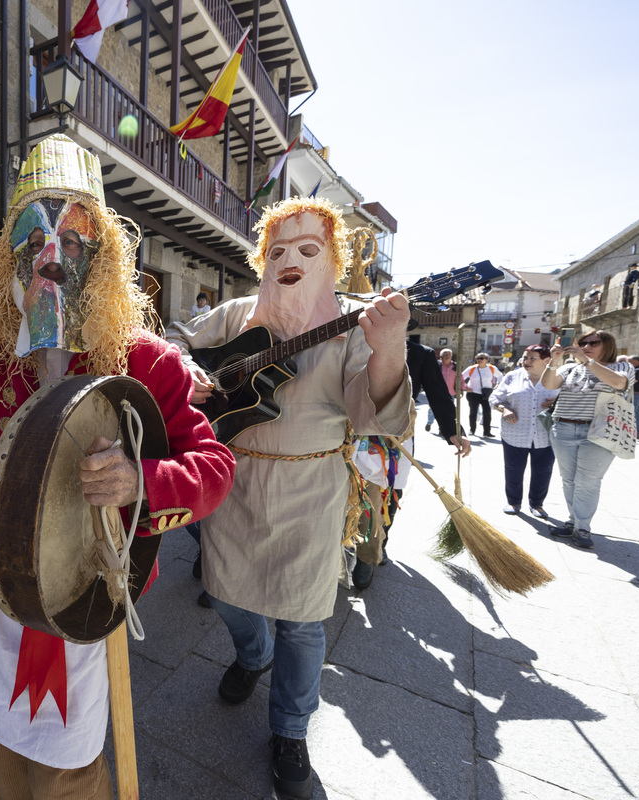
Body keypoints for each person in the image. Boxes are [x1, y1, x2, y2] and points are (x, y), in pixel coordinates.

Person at [0, 135, 235, 799]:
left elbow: (212, 466)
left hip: (90, 596)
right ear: (7, 252)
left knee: (70, 774)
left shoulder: (144, 359)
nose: (49, 258)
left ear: (99, 256)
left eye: (70, 240)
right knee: (3, 759)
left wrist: (142, 481)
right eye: (33, 237)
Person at [167, 196, 412, 799]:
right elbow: (173, 337)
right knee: (226, 593)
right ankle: (253, 655)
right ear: (262, 261)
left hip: (312, 487)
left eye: (308, 249)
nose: (292, 261)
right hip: (235, 480)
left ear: (333, 259)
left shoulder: (354, 324)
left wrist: (391, 349)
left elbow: (374, 410)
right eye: (278, 251)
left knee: (304, 620)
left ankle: (291, 730)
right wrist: (181, 364)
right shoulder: (237, 315)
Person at [349, 336, 471, 589]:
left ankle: (375, 548)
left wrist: (453, 430)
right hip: (349, 432)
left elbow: (438, 393)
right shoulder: (353, 343)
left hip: (396, 439)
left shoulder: (420, 354)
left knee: (390, 492)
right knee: (349, 491)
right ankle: (354, 545)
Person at [541, 329, 633, 549]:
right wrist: (554, 360)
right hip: (563, 428)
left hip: (599, 432)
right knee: (569, 479)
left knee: (588, 481)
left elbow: (619, 383)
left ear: (608, 345)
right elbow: (549, 384)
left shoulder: (621, 366)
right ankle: (573, 521)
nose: (587, 347)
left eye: (594, 343)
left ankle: (583, 527)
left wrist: (587, 360)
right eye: (583, 343)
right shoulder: (571, 367)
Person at [489, 344, 559, 517]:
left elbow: (570, 401)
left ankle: (537, 504)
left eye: (532, 358)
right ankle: (513, 502)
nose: (526, 361)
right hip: (515, 433)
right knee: (513, 469)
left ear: (546, 360)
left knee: (543, 471)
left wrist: (557, 403)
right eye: (525, 357)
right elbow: (494, 398)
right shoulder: (513, 376)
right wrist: (504, 409)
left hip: (546, 435)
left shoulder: (557, 379)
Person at [461, 353, 501, 438]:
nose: (479, 360)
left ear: (486, 360)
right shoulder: (472, 368)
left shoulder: (491, 368)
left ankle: (487, 432)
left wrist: (498, 385)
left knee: (487, 413)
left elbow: (500, 376)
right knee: (473, 412)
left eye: (481, 358)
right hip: (473, 394)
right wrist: (466, 387)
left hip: (486, 394)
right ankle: (472, 430)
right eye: (477, 358)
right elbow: (460, 377)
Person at [424, 347, 458, 433]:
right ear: (441, 356)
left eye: (449, 355)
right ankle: (429, 422)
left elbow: (460, 378)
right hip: (436, 392)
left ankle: (442, 429)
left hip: (450, 392)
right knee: (432, 410)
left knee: (446, 412)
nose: (447, 356)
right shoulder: (436, 365)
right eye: (445, 355)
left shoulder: (455, 366)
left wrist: (460, 388)